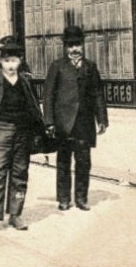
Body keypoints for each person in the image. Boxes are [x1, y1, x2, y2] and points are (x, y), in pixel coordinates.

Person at [0, 42, 45, 234]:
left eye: (14, 61)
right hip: (2, 131)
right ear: (0, 61)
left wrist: (38, 130)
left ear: (20, 61)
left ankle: (15, 214)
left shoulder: (24, 81)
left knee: (20, 174)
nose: (10, 65)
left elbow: (34, 105)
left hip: (23, 132)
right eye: (6, 61)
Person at [42, 26, 108, 212]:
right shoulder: (57, 66)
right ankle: (64, 199)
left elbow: (97, 95)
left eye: (77, 45)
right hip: (63, 124)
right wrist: (49, 121)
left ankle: (81, 198)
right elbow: (48, 96)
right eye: (70, 46)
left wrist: (101, 119)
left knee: (84, 161)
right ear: (65, 47)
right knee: (63, 161)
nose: (74, 49)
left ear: (83, 45)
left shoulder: (90, 67)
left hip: (84, 124)